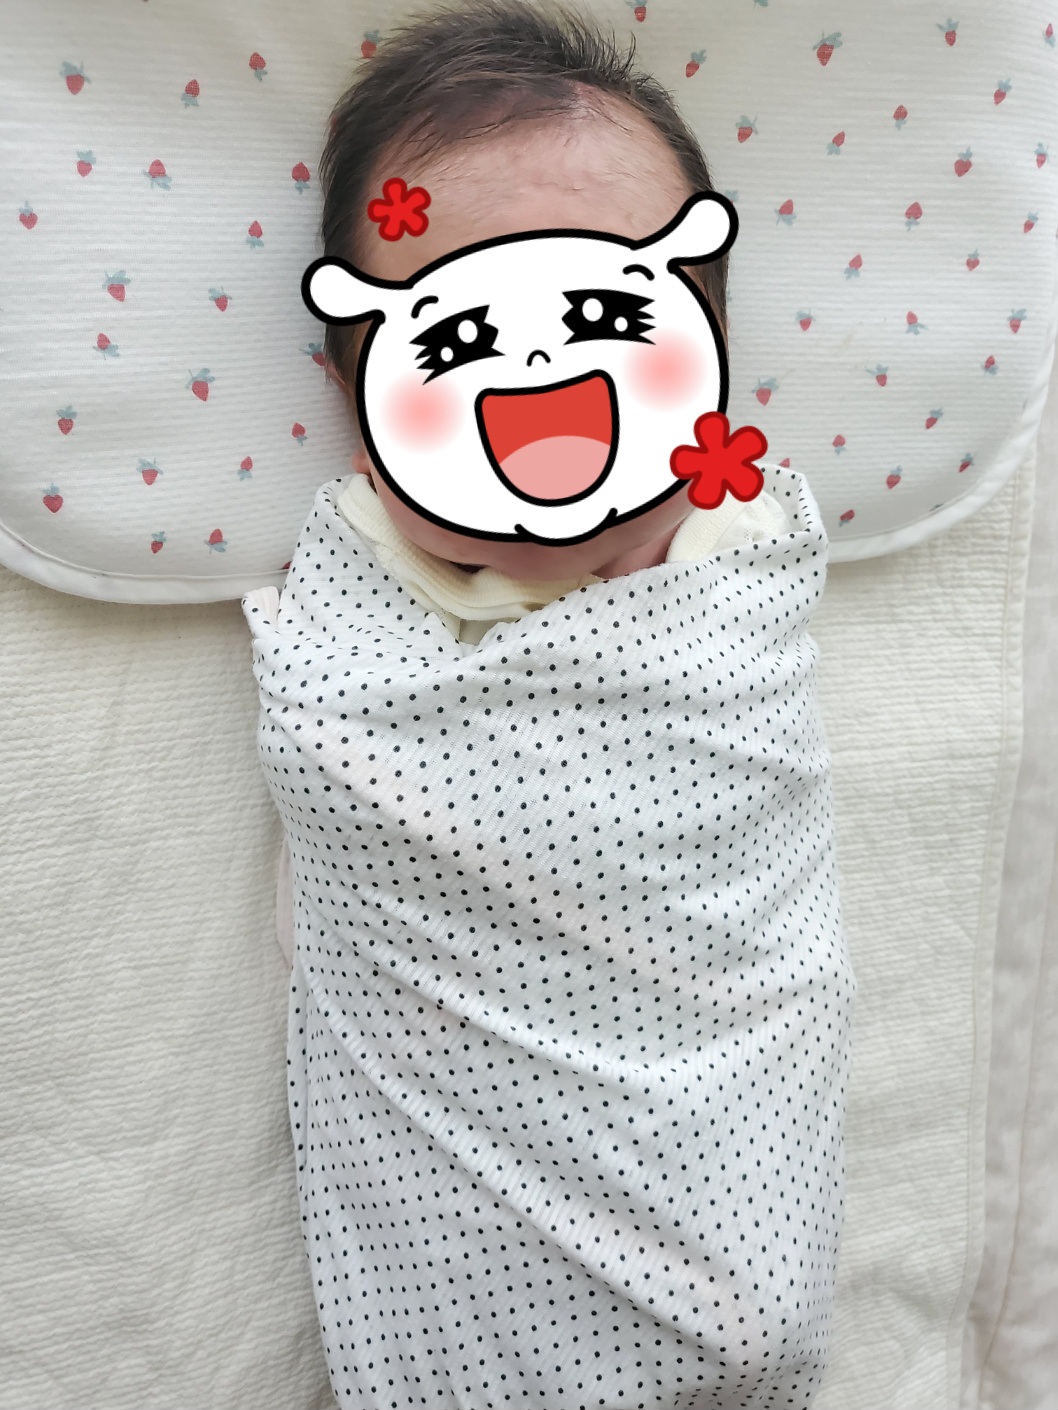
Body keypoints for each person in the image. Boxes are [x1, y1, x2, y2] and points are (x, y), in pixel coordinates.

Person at [243, 3, 854, 1406]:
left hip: (733, 1164)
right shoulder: (359, 592)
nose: (542, 381)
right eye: (459, 334)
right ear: (356, 386)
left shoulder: (743, 553)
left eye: (606, 316)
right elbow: (338, 753)